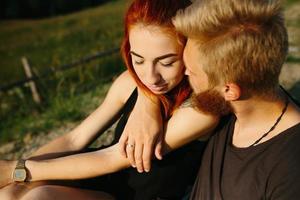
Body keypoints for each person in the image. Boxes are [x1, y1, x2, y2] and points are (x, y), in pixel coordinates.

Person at [0, 0, 218, 200]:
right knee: (10, 194)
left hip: (135, 195)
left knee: (40, 197)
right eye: (138, 59)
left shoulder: (201, 107)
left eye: (167, 62)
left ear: (189, 51)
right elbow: (75, 139)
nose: (151, 77)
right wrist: (15, 176)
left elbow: (112, 158)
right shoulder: (130, 82)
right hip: (103, 179)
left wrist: (16, 169)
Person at [171, 0, 300, 199]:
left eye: (192, 71)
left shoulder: (289, 171)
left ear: (229, 90)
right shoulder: (229, 105)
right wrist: (145, 108)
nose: (184, 73)